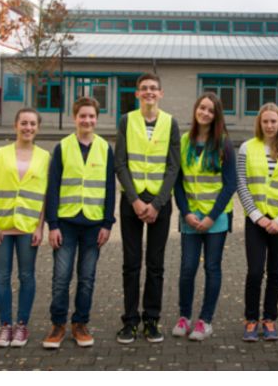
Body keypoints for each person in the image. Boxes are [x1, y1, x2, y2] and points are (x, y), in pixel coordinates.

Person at [42, 97, 115, 349]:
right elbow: (52, 188)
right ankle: (58, 324)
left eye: (91, 116)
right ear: (75, 118)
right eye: (82, 116)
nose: (87, 120)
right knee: (61, 277)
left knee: (87, 278)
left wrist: (108, 223)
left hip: (94, 224)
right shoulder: (62, 147)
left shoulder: (105, 148)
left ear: (97, 118)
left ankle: (80, 323)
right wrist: (52, 225)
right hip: (66, 224)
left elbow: (109, 188)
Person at [115, 73, 180, 343]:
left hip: (160, 204)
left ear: (161, 93)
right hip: (132, 202)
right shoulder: (126, 120)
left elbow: (173, 166)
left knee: (156, 265)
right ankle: (130, 320)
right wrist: (136, 200)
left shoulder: (170, 123)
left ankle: (151, 320)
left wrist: (156, 203)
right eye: (144, 89)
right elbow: (120, 163)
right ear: (137, 94)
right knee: (131, 264)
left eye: (154, 88)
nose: (149, 92)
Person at [172, 93, 236, 341]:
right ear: (196, 110)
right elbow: (178, 182)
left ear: (216, 114)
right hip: (190, 218)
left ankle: (205, 321)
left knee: (212, 267)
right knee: (187, 268)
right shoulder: (185, 141)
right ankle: (184, 316)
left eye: (210, 110)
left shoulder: (224, 144)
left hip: (215, 219)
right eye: (202, 108)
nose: (205, 113)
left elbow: (230, 185)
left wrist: (210, 217)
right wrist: (185, 212)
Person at [0, 108, 50, 347]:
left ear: (38, 128)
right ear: (15, 125)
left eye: (32, 124)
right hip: (2, 226)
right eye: (24, 123)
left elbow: (44, 195)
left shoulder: (44, 157)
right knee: (2, 277)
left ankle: (22, 325)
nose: (28, 128)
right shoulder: (1, 154)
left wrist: (40, 227)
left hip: (28, 227)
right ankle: (5, 326)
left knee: (26, 276)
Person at [237, 103, 278, 342]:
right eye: (265, 121)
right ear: (259, 123)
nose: (270, 125)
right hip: (256, 221)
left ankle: (270, 319)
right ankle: (251, 319)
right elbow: (241, 184)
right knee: (254, 271)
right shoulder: (246, 148)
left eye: (274, 121)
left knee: (275, 272)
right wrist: (257, 216)